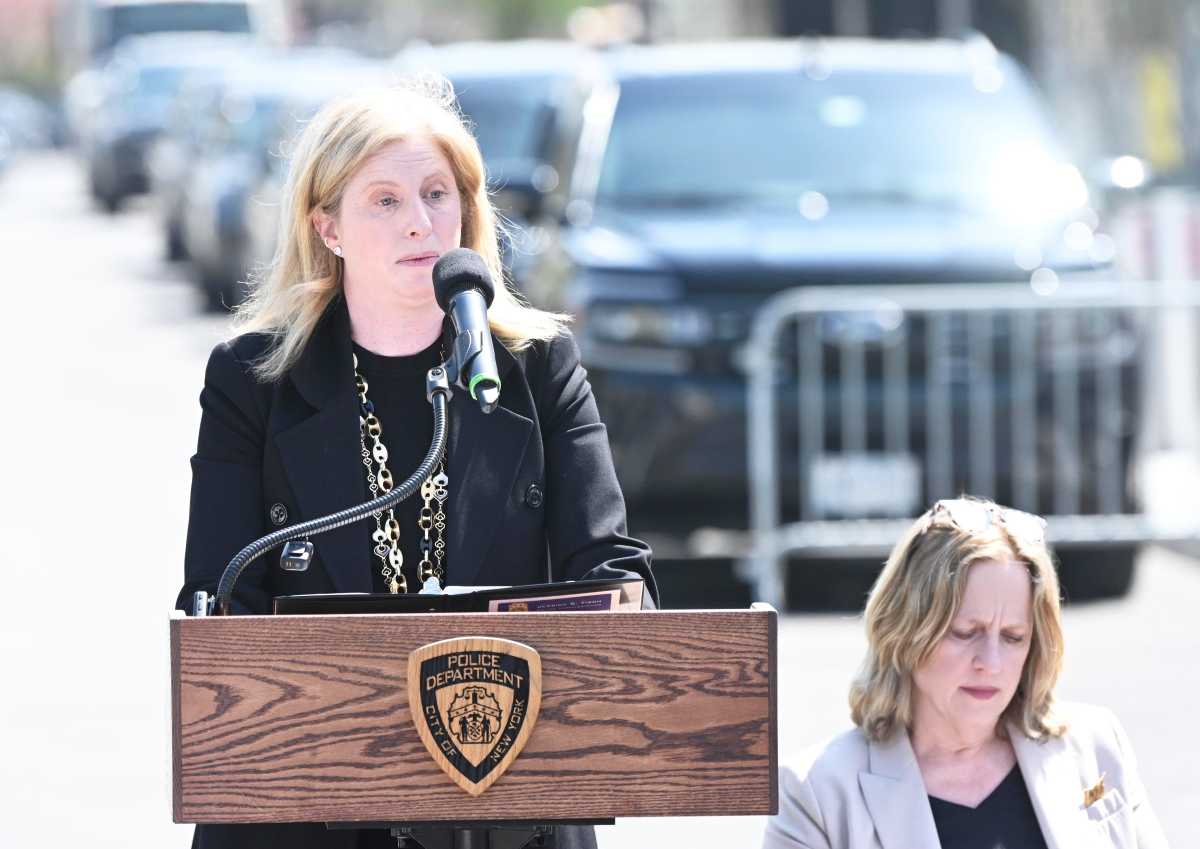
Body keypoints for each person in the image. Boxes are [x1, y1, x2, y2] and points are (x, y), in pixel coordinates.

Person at [175, 78, 657, 849]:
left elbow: (605, 564)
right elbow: (219, 593)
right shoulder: (253, 380)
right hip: (307, 799)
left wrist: (624, 615)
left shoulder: (536, 367)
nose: (420, 222)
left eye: (438, 194)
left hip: (509, 790)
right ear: (326, 225)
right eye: (386, 201)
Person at [763, 498, 1166, 849]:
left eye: (1012, 637)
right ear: (905, 631)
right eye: (964, 633)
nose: (990, 662)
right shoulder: (816, 793)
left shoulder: (1096, 744)